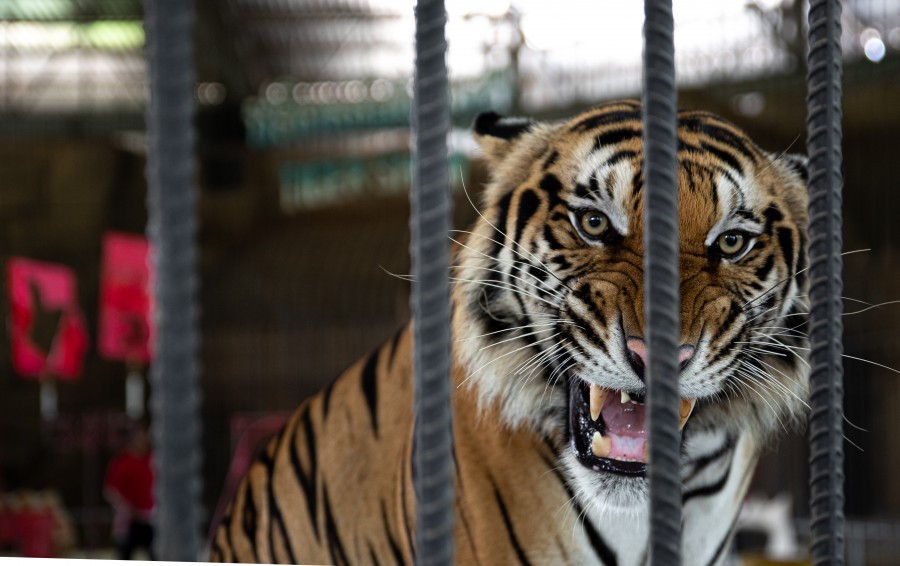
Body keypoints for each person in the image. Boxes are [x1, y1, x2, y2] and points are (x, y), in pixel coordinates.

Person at [104, 423, 154, 560]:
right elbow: (110, 491)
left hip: (151, 519)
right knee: (124, 554)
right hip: (129, 520)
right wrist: (124, 507)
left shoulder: (154, 460)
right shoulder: (122, 462)